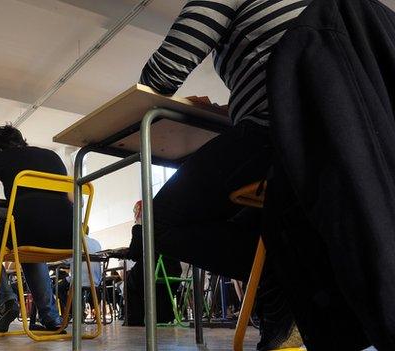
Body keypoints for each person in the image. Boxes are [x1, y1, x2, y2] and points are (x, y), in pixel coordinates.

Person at [128, 1, 312, 349]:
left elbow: (162, 75)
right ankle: (300, 288)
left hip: (278, 132)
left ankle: (285, 287)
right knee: (252, 219)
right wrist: (226, 109)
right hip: (346, 142)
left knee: (155, 222)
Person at [0, 125, 72, 332]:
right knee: (29, 252)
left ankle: (6, 301)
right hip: (66, 232)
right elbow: (72, 199)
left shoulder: (0, 158)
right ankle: (51, 317)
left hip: (26, 226)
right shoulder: (52, 156)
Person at [56, 236, 103, 315]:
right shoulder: (96, 242)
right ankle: (78, 311)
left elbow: (65, 259)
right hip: (96, 281)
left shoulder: (74, 242)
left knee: (57, 288)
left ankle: (73, 312)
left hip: (78, 279)